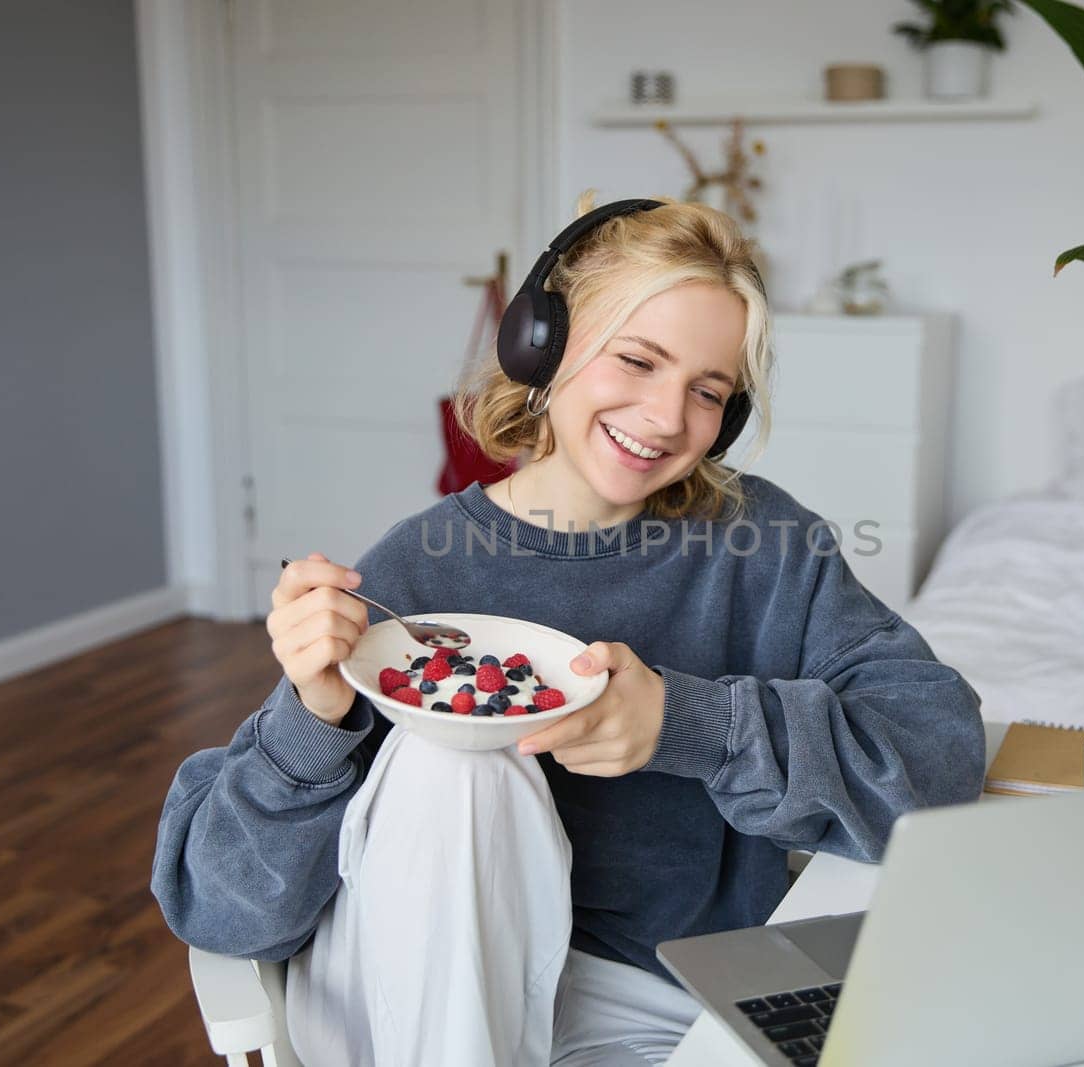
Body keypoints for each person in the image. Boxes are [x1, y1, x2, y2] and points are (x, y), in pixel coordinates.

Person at [151, 192, 985, 1066]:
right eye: (637, 360)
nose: (667, 418)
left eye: (708, 391)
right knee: (455, 761)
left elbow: (937, 758)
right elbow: (222, 912)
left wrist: (685, 723)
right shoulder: (415, 575)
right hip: (409, 990)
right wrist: (311, 722)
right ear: (542, 345)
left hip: (647, 1000)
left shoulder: (767, 550)